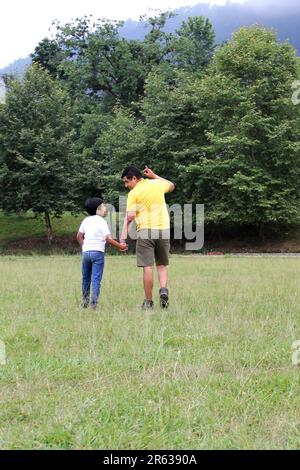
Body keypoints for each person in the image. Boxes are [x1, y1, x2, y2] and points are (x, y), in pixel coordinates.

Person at [120, 166, 175, 310]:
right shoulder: (157, 184)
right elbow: (171, 185)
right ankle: (163, 290)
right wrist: (154, 175)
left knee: (147, 267)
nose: (126, 186)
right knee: (162, 265)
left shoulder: (134, 193)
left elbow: (130, 217)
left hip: (145, 231)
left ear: (134, 178)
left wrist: (122, 238)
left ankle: (149, 302)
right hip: (163, 230)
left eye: (126, 182)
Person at [77, 197, 127, 309]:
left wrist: (84, 247)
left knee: (85, 278)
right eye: (103, 206)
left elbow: (79, 236)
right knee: (96, 278)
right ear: (98, 209)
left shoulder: (86, 220)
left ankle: (84, 301)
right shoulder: (101, 221)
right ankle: (93, 303)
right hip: (97, 253)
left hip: (86, 253)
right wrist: (120, 246)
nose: (105, 208)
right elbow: (108, 239)